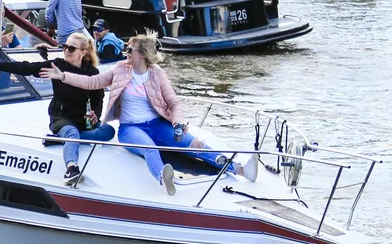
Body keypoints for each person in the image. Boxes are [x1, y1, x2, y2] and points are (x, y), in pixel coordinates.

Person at [42, 32, 257, 195]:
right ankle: (164, 179)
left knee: (196, 144)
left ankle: (239, 169)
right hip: (130, 129)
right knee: (150, 148)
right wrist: (63, 76)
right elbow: (92, 82)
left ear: (143, 55)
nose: (126, 52)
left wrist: (177, 121)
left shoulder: (156, 74)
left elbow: (173, 102)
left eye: (130, 50)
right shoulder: (120, 69)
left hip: (157, 124)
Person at [0, 31, 114, 185]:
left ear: (83, 52)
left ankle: (62, 140)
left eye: (71, 48)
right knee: (72, 133)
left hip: (83, 120)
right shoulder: (57, 65)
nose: (66, 51)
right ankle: (71, 168)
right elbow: (27, 67)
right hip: (61, 118)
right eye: (64, 46)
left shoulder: (92, 72)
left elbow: (98, 98)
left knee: (109, 131)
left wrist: (95, 113)